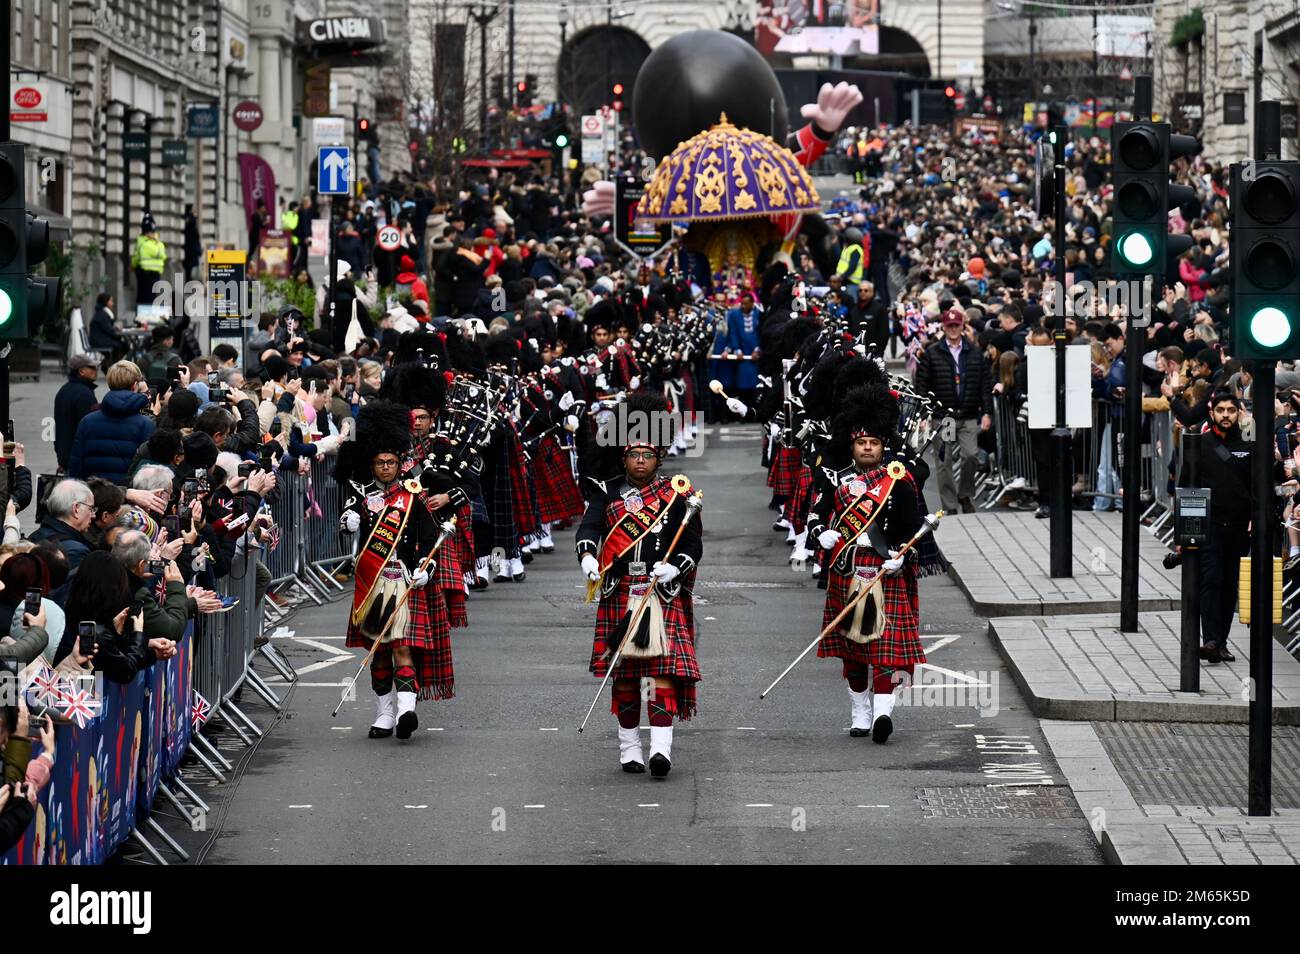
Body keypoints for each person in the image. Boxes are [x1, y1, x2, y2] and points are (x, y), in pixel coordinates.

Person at [575, 394, 703, 778]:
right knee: (627, 679)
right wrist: (587, 558)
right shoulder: (606, 491)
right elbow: (590, 529)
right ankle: (630, 749)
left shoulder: (678, 494)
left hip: (660, 592)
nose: (641, 461)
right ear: (624, 457)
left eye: (648, 454)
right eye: (634, 454)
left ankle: (661, 751)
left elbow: (693, 543)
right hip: (620, 590)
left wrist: (675, 569)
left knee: (660, 675)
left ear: (658, 457)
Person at [807, 382, 925, 743]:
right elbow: (816, 515)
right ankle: (859, 710)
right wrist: (819, 534)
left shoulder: (897, 481)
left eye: (874, 443)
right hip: (848, 568)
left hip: (884, 569)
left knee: (886, 648)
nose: (868, 448)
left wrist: (901, 557)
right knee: (854, 651)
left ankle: (881, 714)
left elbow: (912, 528)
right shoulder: (837, 481)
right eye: (862, 443)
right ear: (853, 446)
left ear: (883, 446)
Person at [337, 400, 455, 740]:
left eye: (390, 462)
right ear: (372, 465)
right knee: (378, 653)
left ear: (398, 463)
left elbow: (429, 537)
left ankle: (406, 710)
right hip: (372, 583)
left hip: (403, 580)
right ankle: (384, 711)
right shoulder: (360, 497)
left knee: (401, 646)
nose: (386, 468)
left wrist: (427, 568)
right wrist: (348, 523)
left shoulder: (412, 496)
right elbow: (345, 528)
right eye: (380, 463)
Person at [1177, 391, 1257, 665]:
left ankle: (1220, 641)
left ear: (1239, 413)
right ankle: (1209, 639)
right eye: (1221, 410)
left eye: (1231, 411)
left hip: (1238, 525)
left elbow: (1261, 482)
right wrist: (1183, 532)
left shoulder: (1249, 444)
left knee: (1228, 585)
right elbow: (1187, 485)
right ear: (1211, 413)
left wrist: (1257, 516)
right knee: (1210, 581)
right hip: (1208, 524)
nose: (1226, 415)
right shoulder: (1199, 444)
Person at [913, 309, 993, 514]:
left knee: (970, 456)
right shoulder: (933, 352)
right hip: (945, 417)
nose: (953, 329)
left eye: (956, 325)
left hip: (967, 414)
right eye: (949, 326)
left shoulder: (974, 352)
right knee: (944, 461)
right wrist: (923, 415)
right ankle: (950, 505)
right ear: (943, 327)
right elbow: (922, 385)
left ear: (962, 326)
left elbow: (985, 384)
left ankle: (965, 494)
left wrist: (986, 412)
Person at [67, 360, 156, 485]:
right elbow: (148, 470)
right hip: (130, 497)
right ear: (135, 385)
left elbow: (75, 467)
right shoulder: (146, 424)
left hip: (94, 494)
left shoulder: (87, 421)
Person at [28, 479, 96, 572]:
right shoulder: (76, 552)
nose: (93, 515)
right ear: (76, 509)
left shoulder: (35, 536)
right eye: (91, 508)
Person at [54, 355, 100, 472]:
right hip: (78, 458)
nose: (96, 370)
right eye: (92, 368)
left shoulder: (64, 390)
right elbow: (90, 428)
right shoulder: (84, 394)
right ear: (81, 371)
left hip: (65, 455)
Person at [131, 214, 167, 308]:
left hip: (148, 273)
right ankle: (146, 317)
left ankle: (144, 317)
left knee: (146, 298)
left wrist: (133, 265)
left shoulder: (144, 242)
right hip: (150, 274)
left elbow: (136, 257)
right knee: (148, 298)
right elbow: (162, 256)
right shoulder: (155, 243)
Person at [87, 292, 127, 366]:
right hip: (99, 341)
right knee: (122, 345)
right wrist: (119, 334)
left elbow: (108, 329)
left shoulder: (102, 313)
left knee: (122, 345)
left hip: (100, 339)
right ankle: (109, 365)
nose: (113, 303)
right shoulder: (102, 314)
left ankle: (108, 364)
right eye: (111, 301)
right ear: (105, 302)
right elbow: (109, 330)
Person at [183, 204, 202, 282]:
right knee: (189, 268)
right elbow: (196, 235)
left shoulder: (188, 220)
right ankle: (188, 280)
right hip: (191, 250)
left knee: (188, 268)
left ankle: (188, 279)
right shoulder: (192, 220)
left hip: (188, 249)